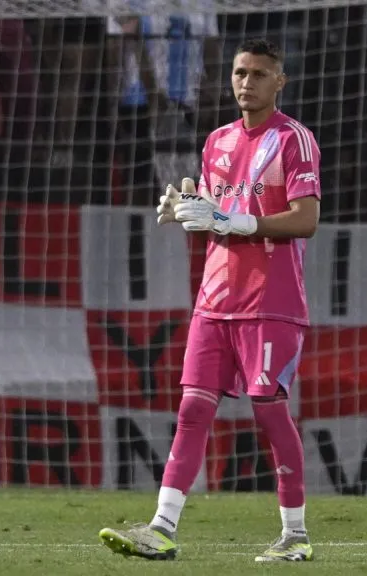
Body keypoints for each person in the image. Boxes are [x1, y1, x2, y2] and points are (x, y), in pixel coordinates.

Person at [97, 38, 321, 563]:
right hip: (215, 298)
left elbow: (306, 219)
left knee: (268, 411)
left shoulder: (294, 140)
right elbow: (218, 213)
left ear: (279, 81)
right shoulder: (217, 140)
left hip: (271, 299)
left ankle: (295, 536)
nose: (248, 82)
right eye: (241, 73)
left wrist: (239, 221)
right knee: (193, 408)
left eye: (260, 74)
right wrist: (191, 208)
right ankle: (161, 527)